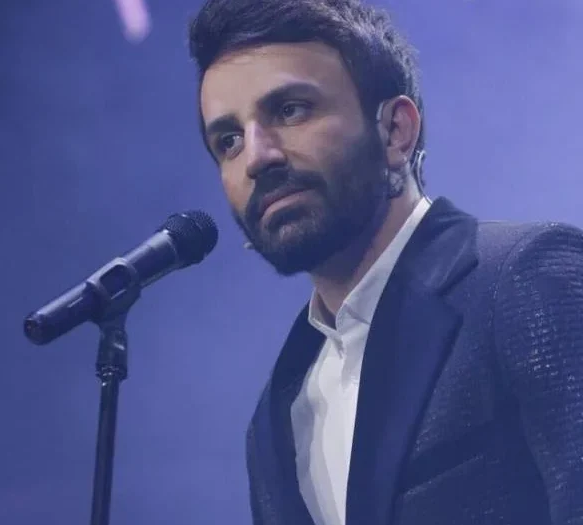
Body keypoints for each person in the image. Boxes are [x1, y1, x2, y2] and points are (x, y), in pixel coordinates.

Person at [188, 1, 583, 524]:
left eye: (290, 110)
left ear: (396, 131)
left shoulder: (524, 280)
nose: (257, 157)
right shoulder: (276, 416)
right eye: (229, 140)